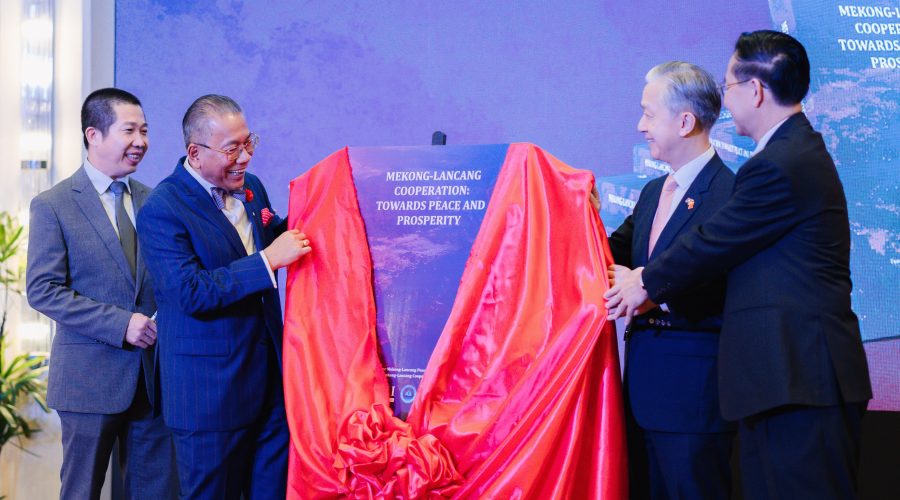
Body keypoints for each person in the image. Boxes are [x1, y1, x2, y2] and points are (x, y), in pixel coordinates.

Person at [605, 30, 872, 500]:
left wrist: (644, 282)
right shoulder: (791, 153)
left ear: (756, 90)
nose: (724, 101)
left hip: (800, 380)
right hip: (784, 382)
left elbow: (713, 243)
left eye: (728, 86)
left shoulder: (780, 163)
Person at [136, 94, 311, 498]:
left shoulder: (253, 188)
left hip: (269, 386)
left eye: (248, 143)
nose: (245, 157)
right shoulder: (162, 208)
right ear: (195, 153)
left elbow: (272, 236)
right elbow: (190, 292)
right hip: (208, 397)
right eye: (232, 149)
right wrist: (268, 261)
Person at [26, 88, 177, 500]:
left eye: (145, 131)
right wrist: (120, 324)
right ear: (93, 134)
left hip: (153, 380)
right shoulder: (53, 204)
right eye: (129, 130)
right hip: (87, 381)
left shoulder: (154, 201)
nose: (141, 141)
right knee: (82, 492)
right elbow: (43, 290)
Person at [602, 61, 735, 500]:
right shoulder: (652, 193)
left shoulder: (731, 195)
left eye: (648, 114)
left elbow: (725, 286)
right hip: (641, 391)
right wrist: (570, 208)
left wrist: (647, 288)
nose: (640, 126)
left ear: (684, 122)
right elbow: (605, 255)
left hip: (693, 398)